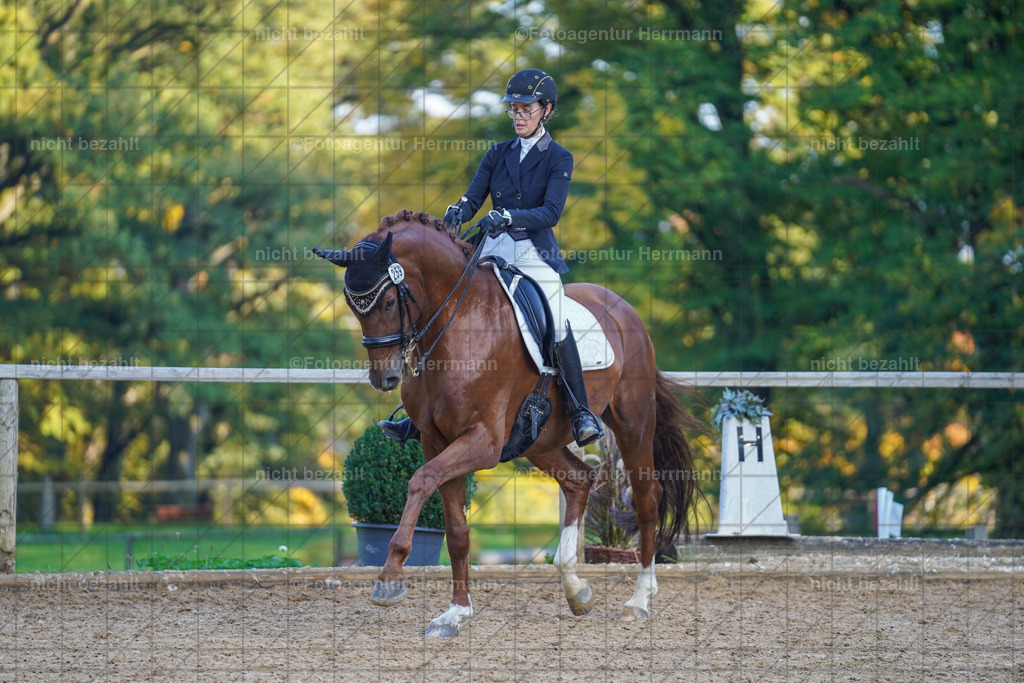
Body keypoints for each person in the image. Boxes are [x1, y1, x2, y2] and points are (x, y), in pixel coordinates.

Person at [380, 68, 603, 448]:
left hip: (532, 252)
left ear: (546, 110)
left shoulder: (558, 158)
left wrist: (511, 216)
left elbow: (551, 213)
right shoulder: (497, 153)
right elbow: (472, 199)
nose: (518, 115)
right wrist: (457, 211)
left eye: (526, 109)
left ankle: (581, 411)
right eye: (513, 109)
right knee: (440, 304)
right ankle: (420, 413)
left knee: (555, 310)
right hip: (491, 249)